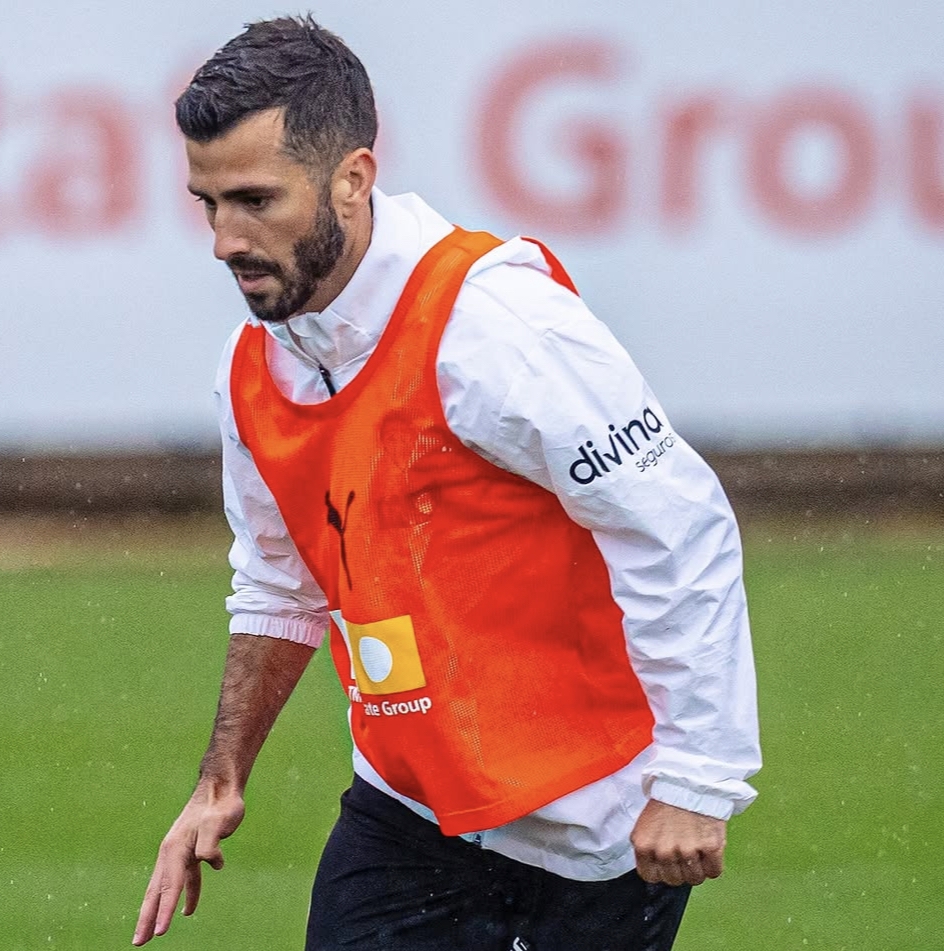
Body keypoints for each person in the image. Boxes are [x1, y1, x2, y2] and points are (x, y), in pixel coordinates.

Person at [134, 14, 761, 950]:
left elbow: (676, 525)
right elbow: (280, 580)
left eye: (256, 200)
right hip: (406, 817)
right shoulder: (252, 365)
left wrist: (698, 778)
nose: (225, 239)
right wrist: (220, 780)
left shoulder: (496, 325)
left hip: (596, 832)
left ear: (353, 179)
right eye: (208, 203)